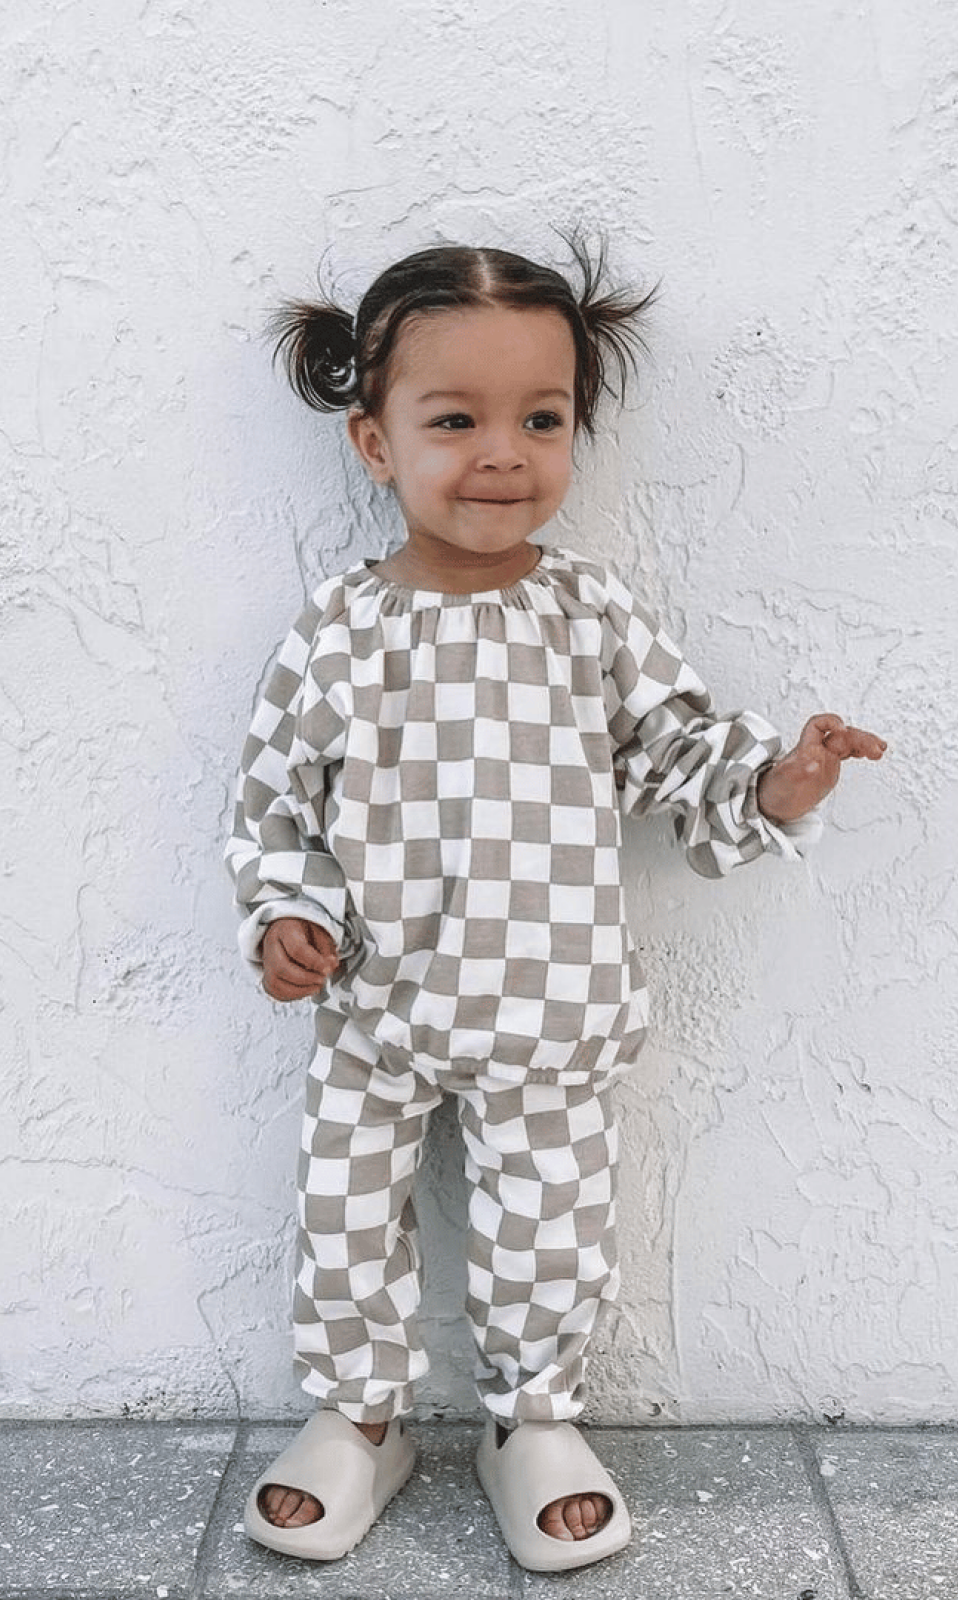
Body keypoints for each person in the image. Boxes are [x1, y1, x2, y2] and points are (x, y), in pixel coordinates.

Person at [224, 241, 886, 1572]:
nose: (501, 454)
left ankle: (532, 1418)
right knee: (345, 1210)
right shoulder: (338, 631)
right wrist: (284, 916)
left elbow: (673, 748)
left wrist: (777, 775)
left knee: (550, 1226)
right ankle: (358, 1415)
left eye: (540, 419)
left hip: (549, 1007)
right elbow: (274, 803)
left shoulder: (586, 614)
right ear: (373, 440)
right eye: (452, 420)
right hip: (375, 1004)